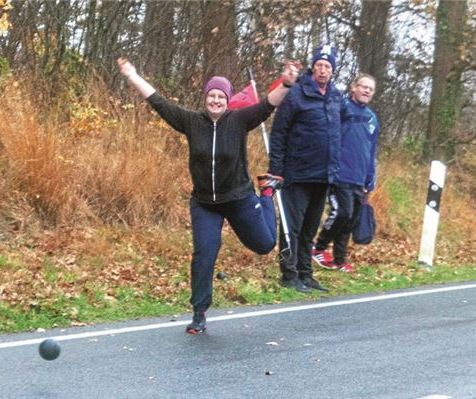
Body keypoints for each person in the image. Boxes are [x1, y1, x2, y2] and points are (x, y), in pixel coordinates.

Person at [117, 57, 298, 334]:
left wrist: (286, 83)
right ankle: (199, 313)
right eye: (211, 96)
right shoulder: (191, 122)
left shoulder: (239, 120)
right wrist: (132, 75)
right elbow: (158, 102)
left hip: (239, 198)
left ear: (227, 100)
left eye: (220, 96)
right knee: (204, 255)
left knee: (264, 245)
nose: (215, 101)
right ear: (205, 98)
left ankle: (266, 193)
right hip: (205, 204)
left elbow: (267, 104)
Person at [267, 44, 342, 294]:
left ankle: (305, 273)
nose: (323, 70)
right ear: (313, 67)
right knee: (293, 225)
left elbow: (337, 134)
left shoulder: (335, 97)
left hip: (323, 175)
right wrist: (276, 170)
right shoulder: (297, 93)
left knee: (310, 228)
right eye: (319, 65)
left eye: (328, 66)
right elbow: (278, 133)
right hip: (296, 172)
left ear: (333, 70)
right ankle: (289, 274)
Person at [312, 73, 380, 273]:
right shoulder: (341, 108)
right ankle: (318, 247)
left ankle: (339, 260)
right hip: (340, 175)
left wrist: (370, 178)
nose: (366, 90)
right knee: (343, 212)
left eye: (370, 88)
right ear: (354, 87)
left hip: (360, 179)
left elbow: (371, 150)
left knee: (350, 221)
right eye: (363, 86)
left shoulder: (372, 118)